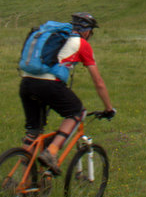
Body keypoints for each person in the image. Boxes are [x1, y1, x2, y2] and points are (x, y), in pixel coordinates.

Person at [18, 12, 115, 175]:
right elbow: (98, 82)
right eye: (91, 32)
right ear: (86, 31)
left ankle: (22, 180)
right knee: (77, 112)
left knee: (33, 132)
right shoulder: (82, 44)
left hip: (26, 83)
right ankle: (52, 151)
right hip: (49, 84)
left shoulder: (55, 37)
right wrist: (109, 108)